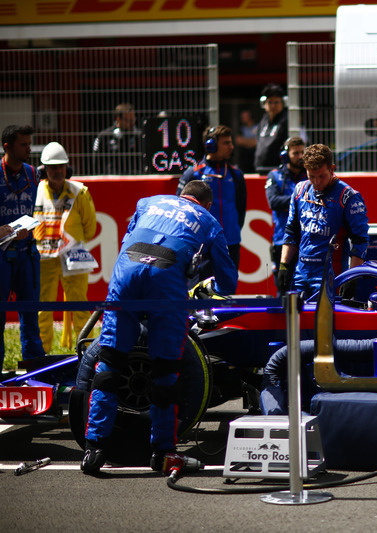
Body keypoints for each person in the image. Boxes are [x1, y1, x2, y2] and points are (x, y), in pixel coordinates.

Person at [81, 180, 238, 475]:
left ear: (180, 196)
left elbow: (131, 239)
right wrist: (200, 282)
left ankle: (93, 449)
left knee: (110, 364)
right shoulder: (209, 220)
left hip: (125, 272)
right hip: (165, 284)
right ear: (206, 204)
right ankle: (163, 454)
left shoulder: (148, 201)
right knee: (166, 371)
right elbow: (228, 282)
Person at [277, 144, 369, 299]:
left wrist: (352, 277)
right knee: (297, 322)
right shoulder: (300, 190)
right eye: (311, 176)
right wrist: (284, 266)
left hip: (330, 276)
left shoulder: (348, 197)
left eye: (321, 176)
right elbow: (291, 231)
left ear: (332, 169)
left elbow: (360, 240)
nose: (316, 182)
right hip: (301, 274)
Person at [33, 142, 97, 353]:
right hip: (44, 258)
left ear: (67, 168)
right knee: (43, 308)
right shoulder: (36, 190)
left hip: (74, 255)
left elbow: (90, 227)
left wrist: (73, 242)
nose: (57, 171)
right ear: (44, 170)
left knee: (80, 306)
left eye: (61, 167)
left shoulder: (80, 192)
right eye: (52, 167)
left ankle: (86, 352)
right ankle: (41, 354)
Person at [1, 125, 46, 367]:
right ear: (7, 146)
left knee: (31, 315)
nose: (29, 149)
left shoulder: (32, 173)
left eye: (30, 144)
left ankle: (35, 370)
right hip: (1, 256)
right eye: (24, 145)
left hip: (28, 254)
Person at [176, 125, 247, 273]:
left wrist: (232, 230)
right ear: (211, 145)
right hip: (202, 243)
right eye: (226, 143)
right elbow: (180, 208)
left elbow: (241, 208)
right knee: (201, 290)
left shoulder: (236, 174)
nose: (231, 146)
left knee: (227, 291)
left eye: (231, 142)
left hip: (230, 242)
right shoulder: (193, 174)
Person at [265, 136, 306, 295]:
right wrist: (301, 198)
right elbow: (273, 201)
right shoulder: (275, 175)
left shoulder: (311, 175)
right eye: (296, 153)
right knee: (282, 286)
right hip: (282, 241)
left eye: (303, 152)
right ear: (285, 155)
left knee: (304, 288)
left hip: (305, 241)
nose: (300, 156)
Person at [91, 102, 143, 175]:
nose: (132, 123)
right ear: (119, 119)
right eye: (129, 120)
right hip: (112, 178)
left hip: (134, 177)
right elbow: (96, 161)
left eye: (133, 119)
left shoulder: (140, 136)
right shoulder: (104, 136)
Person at [254, 84, 289, 174]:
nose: (273, 105)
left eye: (276, 102)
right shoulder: (263, 120)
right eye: (270, 102)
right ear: (264, 103)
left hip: (278, 170)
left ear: (283, 103)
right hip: (260, 168)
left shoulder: (286, 120)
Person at [235, 109, 258, 173]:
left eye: (245, 116)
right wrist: (251, 142)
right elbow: (239, 141)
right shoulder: (241, 128)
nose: (243, 119)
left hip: (254, 156)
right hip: (244, 157)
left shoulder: (258, 127)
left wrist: (245, 141)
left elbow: (258, 142)